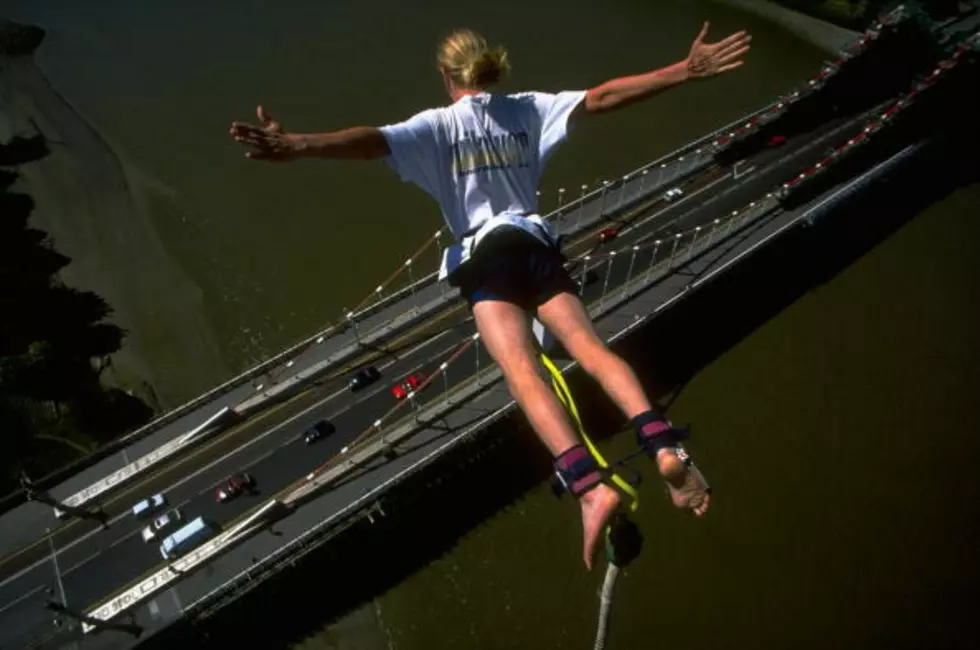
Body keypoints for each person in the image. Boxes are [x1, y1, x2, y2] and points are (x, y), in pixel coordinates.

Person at [230, 22, 751, 569]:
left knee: (523, 373)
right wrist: (682, 71)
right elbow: (602, 97)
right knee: (590, 348)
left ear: (444, 75)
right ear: (490, 67)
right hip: (535, 245)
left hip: (486, 258)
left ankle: (589, 487)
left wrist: (298, 145)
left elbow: (368, 142)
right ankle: (664, 445)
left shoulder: (436, 126)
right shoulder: (527, 107)